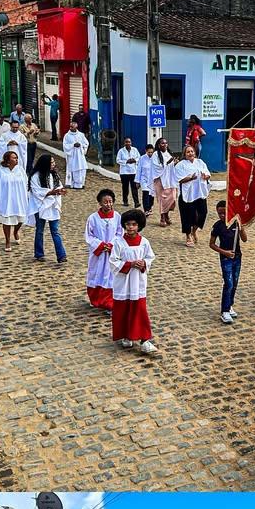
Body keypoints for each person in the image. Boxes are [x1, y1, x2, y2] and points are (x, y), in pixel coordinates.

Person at [110, 208, 158, 357]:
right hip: (123, 282)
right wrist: (129, 264)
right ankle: (126, 335)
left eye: (134, 224)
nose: (131, 227)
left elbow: (150, 257)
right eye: (128, 224)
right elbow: (113, 261)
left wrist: (144, 263)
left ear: (139, 226)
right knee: (123, 310)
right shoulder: (118, 242)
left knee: (139, 310)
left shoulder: (144, 242)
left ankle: (145, 340)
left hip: (138, 282)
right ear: (124, 225)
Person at [208, 200, 246, 326]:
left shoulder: (235, 223)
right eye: (219, 213)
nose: (222, 215)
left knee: (234, 283)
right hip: (225, 259)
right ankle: (224, 310)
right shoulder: (218, 226)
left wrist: (241, 227)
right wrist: (224, 252)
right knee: (228, 283)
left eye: (224, 213)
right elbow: (211, 244)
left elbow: (244, 239)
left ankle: (229, 305)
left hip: (237, 257)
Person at [30, 153, 68, 265]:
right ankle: (39, 253)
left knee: (55, 230)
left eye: (53, 162)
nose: (53, 164)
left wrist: (60, 191)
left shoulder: (54, 175)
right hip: (41, 206)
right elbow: (37, 192)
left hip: (52, 206)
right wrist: (51, 192)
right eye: (51, 162)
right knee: (40, 230)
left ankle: (61, 255)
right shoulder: (36, 176)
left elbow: (59, 186)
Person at [85, 188, 120, 310]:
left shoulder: (117, 217)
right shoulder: (93, 218)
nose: (108, 204)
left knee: (110, 275)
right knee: (96, 273)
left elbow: (119, 233)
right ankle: (95, 299)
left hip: (111, 252)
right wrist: (100, 245)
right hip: (98, 253)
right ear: (100, 203)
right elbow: (89, 235)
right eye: (105, 202)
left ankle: (109, 302)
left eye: (110, 202)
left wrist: (112, 244)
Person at [174, 144, 211, 248]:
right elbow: (179, 179)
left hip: (199, 192)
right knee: (187, 216)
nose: (190, 153)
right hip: (188, 194)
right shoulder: (180, 165)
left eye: (192, 151)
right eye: (188, 152)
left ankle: (194, 230)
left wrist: (205, 176)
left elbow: (208, 174)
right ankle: (188, 236)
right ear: (185, 154)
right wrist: (190, 178)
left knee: (203, 213)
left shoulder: (200, 162)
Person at [0, 149, 30, 251]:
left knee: (21, 219)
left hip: (19, 198)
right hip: (6, 199)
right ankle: (7, 240)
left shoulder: (20, 170)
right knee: (7, 220)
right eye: (14, 158)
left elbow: (26, 183)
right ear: (8, 160)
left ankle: (16, 231)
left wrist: (28, 195)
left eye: (17, 158)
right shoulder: (0, 172)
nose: (16, 159)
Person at [151, 138, 176, 226]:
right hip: (160, 179)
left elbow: (171, 166)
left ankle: (166, 215)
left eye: (166, 143)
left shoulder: (169, 153)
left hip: (170, 179)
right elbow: (156, 167)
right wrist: (167, 163)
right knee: (163, 199)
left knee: (172, 198)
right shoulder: (155, 155)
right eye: (162, 143)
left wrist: (174, 163)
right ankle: (163, 217)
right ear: (158, 145)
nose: (165, 145)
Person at [63, 121, 89, 188]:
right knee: (71, 168)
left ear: (76, 127)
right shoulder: (67, 136)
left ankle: (80, 184)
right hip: (72, 155)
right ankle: (71, 183)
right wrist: (73, 145)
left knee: (81, 169)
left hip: (80, 156)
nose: (71, 128)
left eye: (72, 127)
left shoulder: (81, 135)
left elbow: (86, 143)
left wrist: (80, 145)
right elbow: (65, 145)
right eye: (70, 127)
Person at [117, 137, 141, 206]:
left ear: (131, 143)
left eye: (129, 142)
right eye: (126, 142)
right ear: (124, 143)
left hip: (133, 172)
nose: (128, 143)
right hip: (124, 172)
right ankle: (125, 201)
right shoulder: (121, 151)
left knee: (134, 188)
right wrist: (126, 161)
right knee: (125, 187)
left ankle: (136, 202)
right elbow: (118, 160)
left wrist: (134, 160)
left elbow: (139, 158)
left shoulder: (135, 150)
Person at [137, 143, 156, 215]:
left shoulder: (155, 158)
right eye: (149, 152)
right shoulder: (142, 158)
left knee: (151, 195)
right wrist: (137, 181)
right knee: (145, 193)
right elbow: (139, 170)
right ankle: (146, 210)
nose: (150, 154)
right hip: (144, 179)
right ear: (146, 151)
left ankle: (150, 207)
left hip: (152, 180)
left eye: (151, 152)